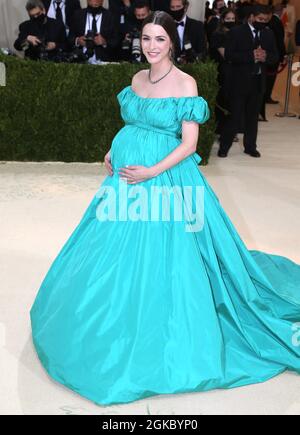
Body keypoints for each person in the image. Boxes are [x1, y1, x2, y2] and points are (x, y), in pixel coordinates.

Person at [30, 10, 300, 406]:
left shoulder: (185, 84)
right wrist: (112, 149)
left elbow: (189, 145)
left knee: (170, 259)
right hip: (124, 180)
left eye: (160, 39)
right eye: (147, 38)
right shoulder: (137, 78)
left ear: (172, 42)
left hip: (165, 182)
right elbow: (134, 123)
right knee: (110, 253)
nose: (152, 46)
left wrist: (151, 172)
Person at [218, 4, 279, 158]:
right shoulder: (236, 32)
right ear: (251, 17)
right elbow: (230, 55)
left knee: (253, 117)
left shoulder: (268, 34)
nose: (263, 22)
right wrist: (251, 56)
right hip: (239, 82)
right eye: (260, 19)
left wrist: (265, 57)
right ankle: (224, 147)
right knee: (234, 116)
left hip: (258, 82)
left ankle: (250, 147)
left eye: (266, 20)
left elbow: (275, 56)